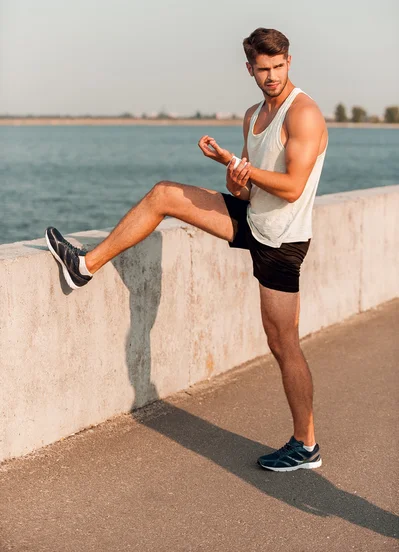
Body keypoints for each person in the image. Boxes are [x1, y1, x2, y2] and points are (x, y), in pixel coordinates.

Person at [45, 27, 327, 472]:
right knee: (164, 194)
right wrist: (235, 179)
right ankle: (85, 264)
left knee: (282, 343)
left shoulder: (304, 114)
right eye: (262, 68)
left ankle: (306, 444)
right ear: (249, 68)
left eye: (278, 67)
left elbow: (291, 188)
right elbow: (250, 190)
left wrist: (235, 165)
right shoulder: (254, 115)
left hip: (282, 241)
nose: (271, 76)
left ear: (289, 62)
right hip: (253, 219)